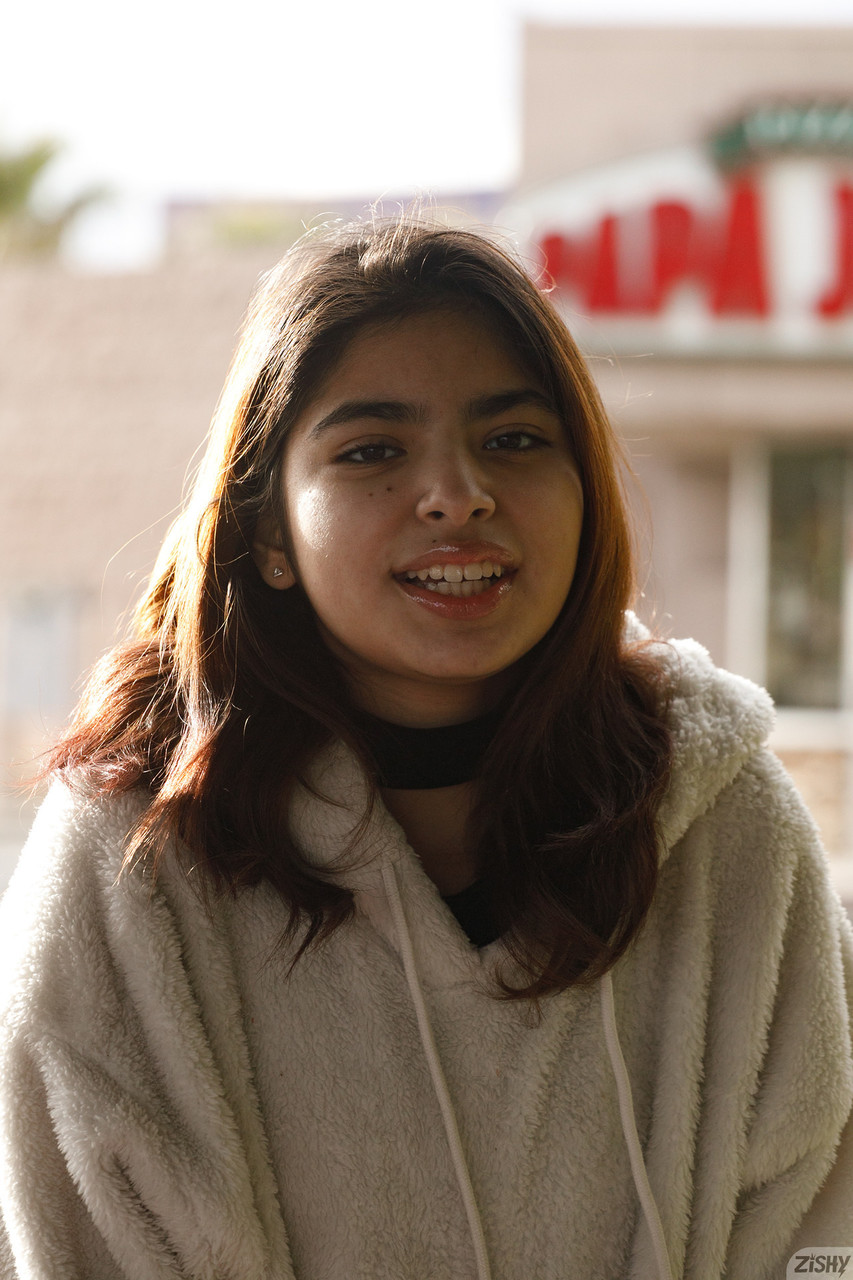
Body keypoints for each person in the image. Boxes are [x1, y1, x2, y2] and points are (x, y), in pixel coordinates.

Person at [0, 215, 851, 1280]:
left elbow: (817, 1219)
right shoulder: (134, 846)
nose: (459, 493)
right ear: (268, 529)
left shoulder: (726, 822)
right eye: (372, 450)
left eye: (514, 439)